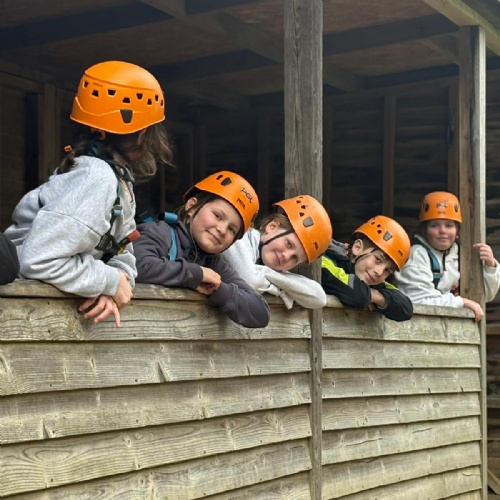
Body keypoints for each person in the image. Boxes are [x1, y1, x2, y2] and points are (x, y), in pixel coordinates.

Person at [5, 60, 172, 327]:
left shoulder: (118, 183)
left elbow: (123, 252)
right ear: (143, 134)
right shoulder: (97, 177)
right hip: (18, 315)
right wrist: (108, 281)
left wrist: (112, 283)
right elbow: (37, 260)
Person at [134, 170, 271, 328]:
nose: (222, 229)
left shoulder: (214, 263)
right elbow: (138, 265)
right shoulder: (159, 232)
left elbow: (261, 313)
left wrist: (218, 289)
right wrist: (196, 275)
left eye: (232, 229)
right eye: (217, 216)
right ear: (192, 206)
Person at [394, 191, 500, 322]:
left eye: (449, 225)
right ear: (424, 230)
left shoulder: (462, 255)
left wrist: (490, 267)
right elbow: (418, 301)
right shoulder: (416, 255)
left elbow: (485, 296)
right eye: (434, 225)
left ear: (457, 231)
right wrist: (462, 302)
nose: (443, 231)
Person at [222, 195, 332, 309]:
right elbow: (250, 280)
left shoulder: (270, 271)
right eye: (289, 244)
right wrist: (281, 290)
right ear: (271, 227)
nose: (286, 256)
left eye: (295, 258)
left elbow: (319, 298)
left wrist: (267, 273)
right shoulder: (238, 237)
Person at [321, 215, 413, 321]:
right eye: (378, 259)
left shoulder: (372, 282)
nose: (379, 272)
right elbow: (357, 295)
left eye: (387, 270)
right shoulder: (324, 258)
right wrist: (368, 295)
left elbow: (406, 308)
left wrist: (374, 296)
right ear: (357, 247)